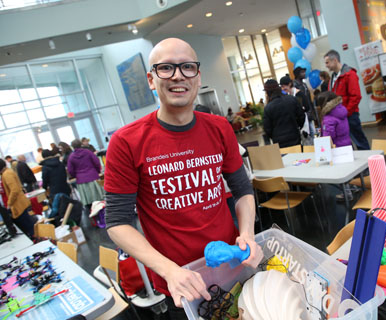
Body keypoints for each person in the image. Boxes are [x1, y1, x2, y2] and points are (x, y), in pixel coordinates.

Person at [103, 38, 260, 319]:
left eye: (187, 67)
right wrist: (170, 271)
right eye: (166, 68)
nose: (178, 75)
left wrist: (246, 233)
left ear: (198, 77)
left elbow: (242, 189)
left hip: (231, 264)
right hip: (180, 284)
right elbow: (117, 223)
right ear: (151, 80)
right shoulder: (126, 142)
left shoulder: (219, 127)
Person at [324, 49, 370, 150]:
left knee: (360, 141)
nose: (326, 65)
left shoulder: (349, 74)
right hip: (339, 116)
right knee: (345, 144)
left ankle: (368, 163)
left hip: (350, 115)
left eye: (327, 62)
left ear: (335, 60)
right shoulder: (333, 77)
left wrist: (346, 112)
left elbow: (356, 96)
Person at [263, 79, 305, 148]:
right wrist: (297, 127)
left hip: (279, 142)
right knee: (298, 158)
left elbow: (267, 128)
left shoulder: (268, 108)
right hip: (294, 137)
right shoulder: (292, 99)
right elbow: (301, 117)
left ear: (268, 92)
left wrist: (274, 136)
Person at [0, 159, 36, 238]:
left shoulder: (7, 174)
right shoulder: (5, 173)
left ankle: (35, 240)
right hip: (17, 205)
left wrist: (9, 203)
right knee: (27, 226)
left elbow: (14, 190)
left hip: (18, 205)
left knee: (28, 227)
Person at [67, 139, 103, 211]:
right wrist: (97, 171)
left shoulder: (71, 157)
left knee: (88, 202)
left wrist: (76, 175)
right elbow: (96, 162)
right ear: (81, 144)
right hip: (93, 177)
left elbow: (70, 170)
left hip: (81, 180)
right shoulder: (88, 152)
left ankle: (94, 219)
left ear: (72, 147)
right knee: (100, 200)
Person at [293, 66, 316, 140]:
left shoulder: (304, 84)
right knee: (308, 134)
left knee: (313, 132)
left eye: (304, 72)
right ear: (297, 74)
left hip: (309, 111)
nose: (304, 74)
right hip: (303, 114)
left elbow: (308, 99)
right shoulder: (295, 85)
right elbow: (299, 100)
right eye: (302, 72)